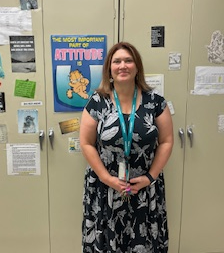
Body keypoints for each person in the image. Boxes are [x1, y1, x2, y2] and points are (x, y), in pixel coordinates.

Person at [80, 41, 174, 253]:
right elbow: (86, 143)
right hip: (106, 187)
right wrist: (106, 178)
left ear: (137, 67)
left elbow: (167, 141)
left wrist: (150, 177)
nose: (123, 65)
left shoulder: (155, 102)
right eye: (117, 61)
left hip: (145, 187)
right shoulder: (97, 101)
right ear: (110, 69)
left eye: (128, 60)